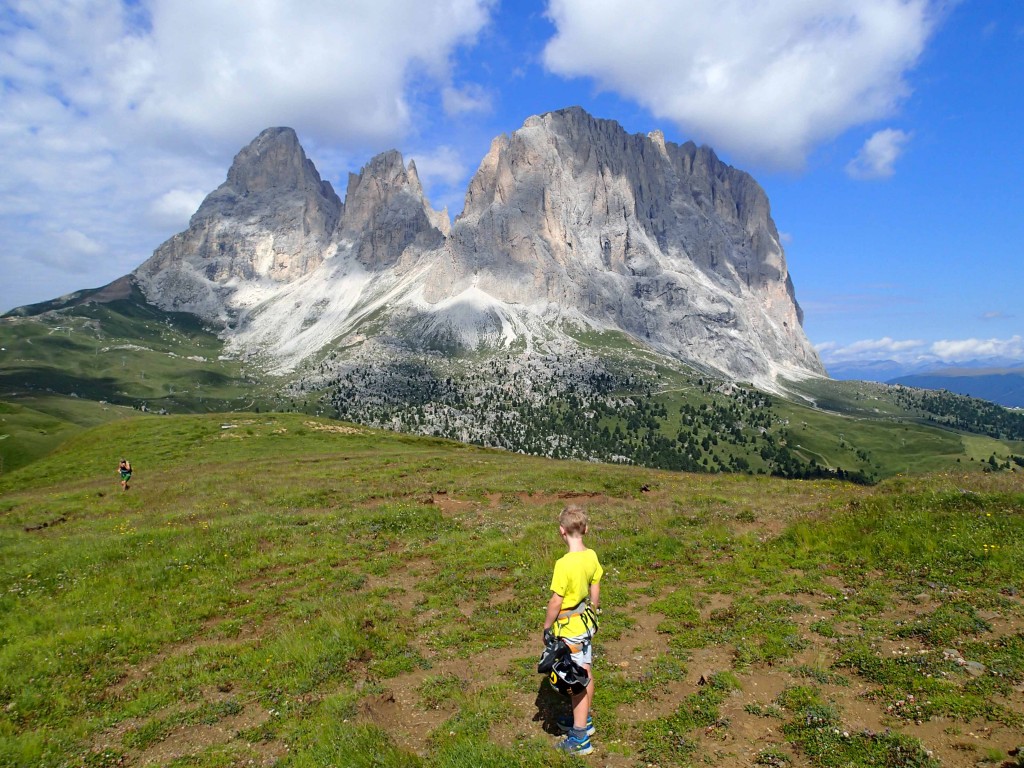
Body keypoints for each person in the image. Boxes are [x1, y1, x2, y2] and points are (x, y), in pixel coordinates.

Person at [543, 504, 603, 755]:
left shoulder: (563, 564)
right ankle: (585, 720)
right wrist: (593, 609)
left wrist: (547, 626)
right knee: (585, 670)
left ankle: (580, 738)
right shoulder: (591, 556)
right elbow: (595, 584)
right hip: (586, 623)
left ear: (561, 531)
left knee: (575, 680)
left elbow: (556, 600)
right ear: (586, 529)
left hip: (569, 627)